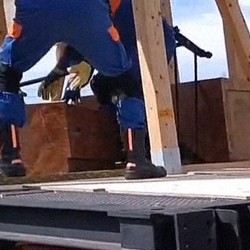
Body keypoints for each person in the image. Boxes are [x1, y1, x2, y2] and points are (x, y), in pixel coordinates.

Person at [0, 0, 168, 179]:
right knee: (125, 82)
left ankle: (11, 159)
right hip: (89, 8)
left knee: (5, 75)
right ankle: (137, 160)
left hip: (37, 8)